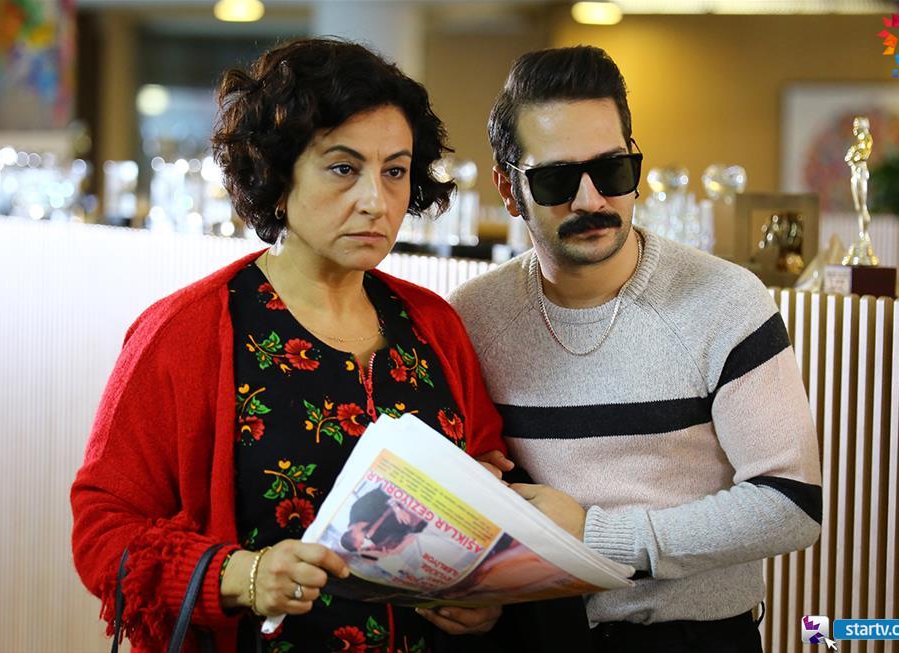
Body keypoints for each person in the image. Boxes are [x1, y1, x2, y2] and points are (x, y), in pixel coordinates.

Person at [71, 38, 508, 653]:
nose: (375, 201)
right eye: (343, 168)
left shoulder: (434, 323)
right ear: (276, 177)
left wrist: (484, 594)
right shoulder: (187, 332)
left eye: (395, 171)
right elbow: (102, 532)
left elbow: (488, 482)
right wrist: (242, 575)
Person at [448, 46, 822, 653]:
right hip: (528, 635)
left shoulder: (725, 301)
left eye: (613, 169)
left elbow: (791, 505)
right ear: (508, 190)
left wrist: (596, 535)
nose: (591, 200)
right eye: (556, 179)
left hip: (691, 640)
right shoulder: (473, 316)